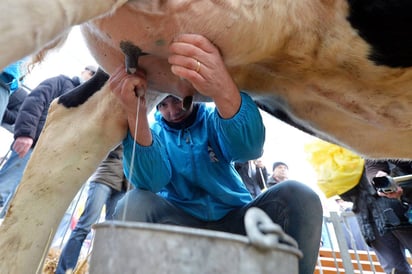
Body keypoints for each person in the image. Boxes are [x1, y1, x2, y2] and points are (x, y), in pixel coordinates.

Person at [110, 33, 323, 274]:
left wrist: (222, 86)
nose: (172, 111)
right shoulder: (153, 132)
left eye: (177, 101)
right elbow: (150, 180)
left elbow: (249, 147)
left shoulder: (213, 117)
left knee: (299, 195)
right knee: (133, 202)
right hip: (179, 226)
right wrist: (135, 113)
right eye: (163, 104)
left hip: (237, 219)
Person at [0, 66, 97, 216]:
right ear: (83, 72)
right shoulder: (61, 82)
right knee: (4, 190)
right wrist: (26, 134)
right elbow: (34, 101)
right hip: (32, 146)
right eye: (91, 73)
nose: (91, 78)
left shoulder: (89, 106)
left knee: (17, 208)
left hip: (51, 159)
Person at [55, 144, 129, 274]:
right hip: (105, 176)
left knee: (111, 233)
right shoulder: (119, 124)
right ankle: (64, 271)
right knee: (84, 226)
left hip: (125, 184)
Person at [341, 159, 412, 274]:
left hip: (375, 212)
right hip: (381, 211)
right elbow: (373, 165)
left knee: (393, 268)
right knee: (394, 268)